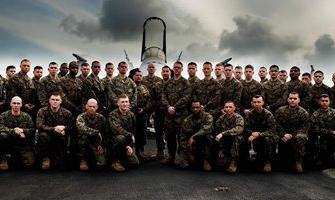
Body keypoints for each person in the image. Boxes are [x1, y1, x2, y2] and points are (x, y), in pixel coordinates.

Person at [161, 61, 191, 165]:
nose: (176, 69)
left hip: (181, 115)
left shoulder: (185, 82)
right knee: (169, 136)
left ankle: (181, 157)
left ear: (182, 69)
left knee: (181, 137)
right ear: (172, 69)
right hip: (169, 115)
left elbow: (186, 97)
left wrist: (175, 106)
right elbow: (163, 96)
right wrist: (168, 106)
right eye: (175, 67)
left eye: (178, 67)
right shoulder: (168, 83)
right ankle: (171, 155)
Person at [36, 92, 74, 170]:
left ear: (61, 101)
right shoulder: (42, 111)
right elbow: (39, 125)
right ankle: (45, 158)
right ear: (49, 100)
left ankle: (59, 157)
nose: (55, 101)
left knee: (59, 165)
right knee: (42, 135)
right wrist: (54, 129)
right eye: (53, 99)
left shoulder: (66, 113)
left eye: (57, 100)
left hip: (60, 138)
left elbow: (72, 127)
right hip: (47, 137)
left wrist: (64, 127)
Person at [275, 92, 309, 173]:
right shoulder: (280, 110)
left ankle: (298, 162)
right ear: (287, 99)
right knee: (272, 137)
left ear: (299, 100)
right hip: (283, 134)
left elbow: (304, 128)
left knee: (301, 137)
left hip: (296, 135)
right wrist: (283, 134)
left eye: (295, 99)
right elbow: (276, 124)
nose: (292, 100)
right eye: (290, 98)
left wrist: (291, 135)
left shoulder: (303, 112)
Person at [244, 95, 278, 172]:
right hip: (255, 135)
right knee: (243, 137)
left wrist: (259, 134)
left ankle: (268, 161)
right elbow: (246, 128)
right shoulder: (249, 114)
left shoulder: (268, 114)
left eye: (259, 102)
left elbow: (271, 130)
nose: (257, 104)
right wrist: (252, 133)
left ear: (262, 103)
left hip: (268, 136)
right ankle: (244, 160)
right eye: (255, 102)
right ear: (252, 103)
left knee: (267, 139)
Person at [0, 96, 34, 170]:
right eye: (14, 103)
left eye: (18, 103)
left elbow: (32, 130)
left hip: (22, 143)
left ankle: (17, 158)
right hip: (8, 143)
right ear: (10, 104)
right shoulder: (3, 115)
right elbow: (1, 127)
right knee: (2, 135)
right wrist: (14, 131)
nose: (16, 105)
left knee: (30, 164)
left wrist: (23, 131)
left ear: (21, 105)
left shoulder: (26, 116)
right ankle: (4, 157)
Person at [177, 101, 213, 171]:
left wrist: (193, 137)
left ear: (200, 107)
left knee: (209, 137)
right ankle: (188, 158)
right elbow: (182, 138)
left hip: (203, 140)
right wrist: (189, 154)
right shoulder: (187, 120)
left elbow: (206, 129)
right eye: (193, 107)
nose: (195, 109)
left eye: (197, 107)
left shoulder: (208, 117)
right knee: (182, 165)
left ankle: (206, 160)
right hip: (192, 144)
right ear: (190, 108)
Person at [108, 94, 139, 172]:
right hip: (114, 141)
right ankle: (115, 161)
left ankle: (123, 158)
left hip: (126, 141)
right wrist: (130, 136)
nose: (125, 104)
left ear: (129, 103)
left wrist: (130, 146)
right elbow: (117, 130)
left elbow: (134, 131)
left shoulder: (131, 115)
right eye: (122, 102)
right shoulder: (113, 115)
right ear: (118, 103)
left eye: (126, 102)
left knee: (135, 164)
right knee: (120, 138)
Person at [76, 99, 107, 171]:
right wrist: (96, 132)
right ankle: (83, 160)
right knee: (83, 137)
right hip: (85, 141)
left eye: (94, 106)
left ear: (97, 107)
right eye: (90, 106)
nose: (92, 108)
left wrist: (102, 144)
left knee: (102, 164)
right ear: (86, 106)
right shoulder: (81, 117)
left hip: (96, 143)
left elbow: (106, 132)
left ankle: (94, 156)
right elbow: (81, 128)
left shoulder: (101, 118)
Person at [214, 101, 244, 173]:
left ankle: (234, 161)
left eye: (230, 107)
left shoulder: (238, 117)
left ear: (234, 108)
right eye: (226, 107)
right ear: (224, 108)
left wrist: (223, 133)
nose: (228, 109)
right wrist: (220, 148)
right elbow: (216, 130)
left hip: (236, 139)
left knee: (237, 138)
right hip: (225, 140)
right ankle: (223, 155)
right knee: (219, 164)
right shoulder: (221, 118)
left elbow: (239, 130)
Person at [142, 63, 165, 159]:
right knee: (142, 129)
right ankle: (141, 151)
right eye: (150, 67)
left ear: (155, 69)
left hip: (156, 107)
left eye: (153, 67)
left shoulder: (159, 80)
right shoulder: (143, 79)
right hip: (145, 107)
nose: (151, 69)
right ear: (147, 69)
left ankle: (160, 151)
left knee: (159, 129)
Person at [130, 68, 151, 160]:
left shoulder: (144, 87)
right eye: (137, 75)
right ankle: (130, 153)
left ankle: (141, 152)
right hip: (131, 113)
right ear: (133, 76)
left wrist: (144, 109)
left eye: (140, 75)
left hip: (142, 113)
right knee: (131, 133)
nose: (138, 77)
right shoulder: (129, 86)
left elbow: (149, 100)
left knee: (142, 133)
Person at [310, 94, 335, 168]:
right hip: (322, 137)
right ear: (319, 102)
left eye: (326, 101)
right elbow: (316, 129)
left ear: (330, 102)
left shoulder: (334, 112)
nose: (324, 102)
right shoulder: (315, 114)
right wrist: (331, 132)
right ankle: (320, 159)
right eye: (322, 101)